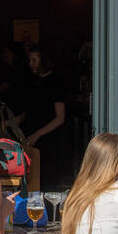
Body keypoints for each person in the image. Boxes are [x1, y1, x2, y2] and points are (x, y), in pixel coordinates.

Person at [16, 45, 69, 186]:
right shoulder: (33, 82)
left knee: (46, 180)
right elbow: (32, 110)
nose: (30, 64)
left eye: (34, 60)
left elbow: (60, 118)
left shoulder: (56, 83)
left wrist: (37, 135)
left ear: (44, 60)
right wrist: (14, 121)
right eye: (29, 60)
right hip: (33, 140)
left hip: (49, 142)